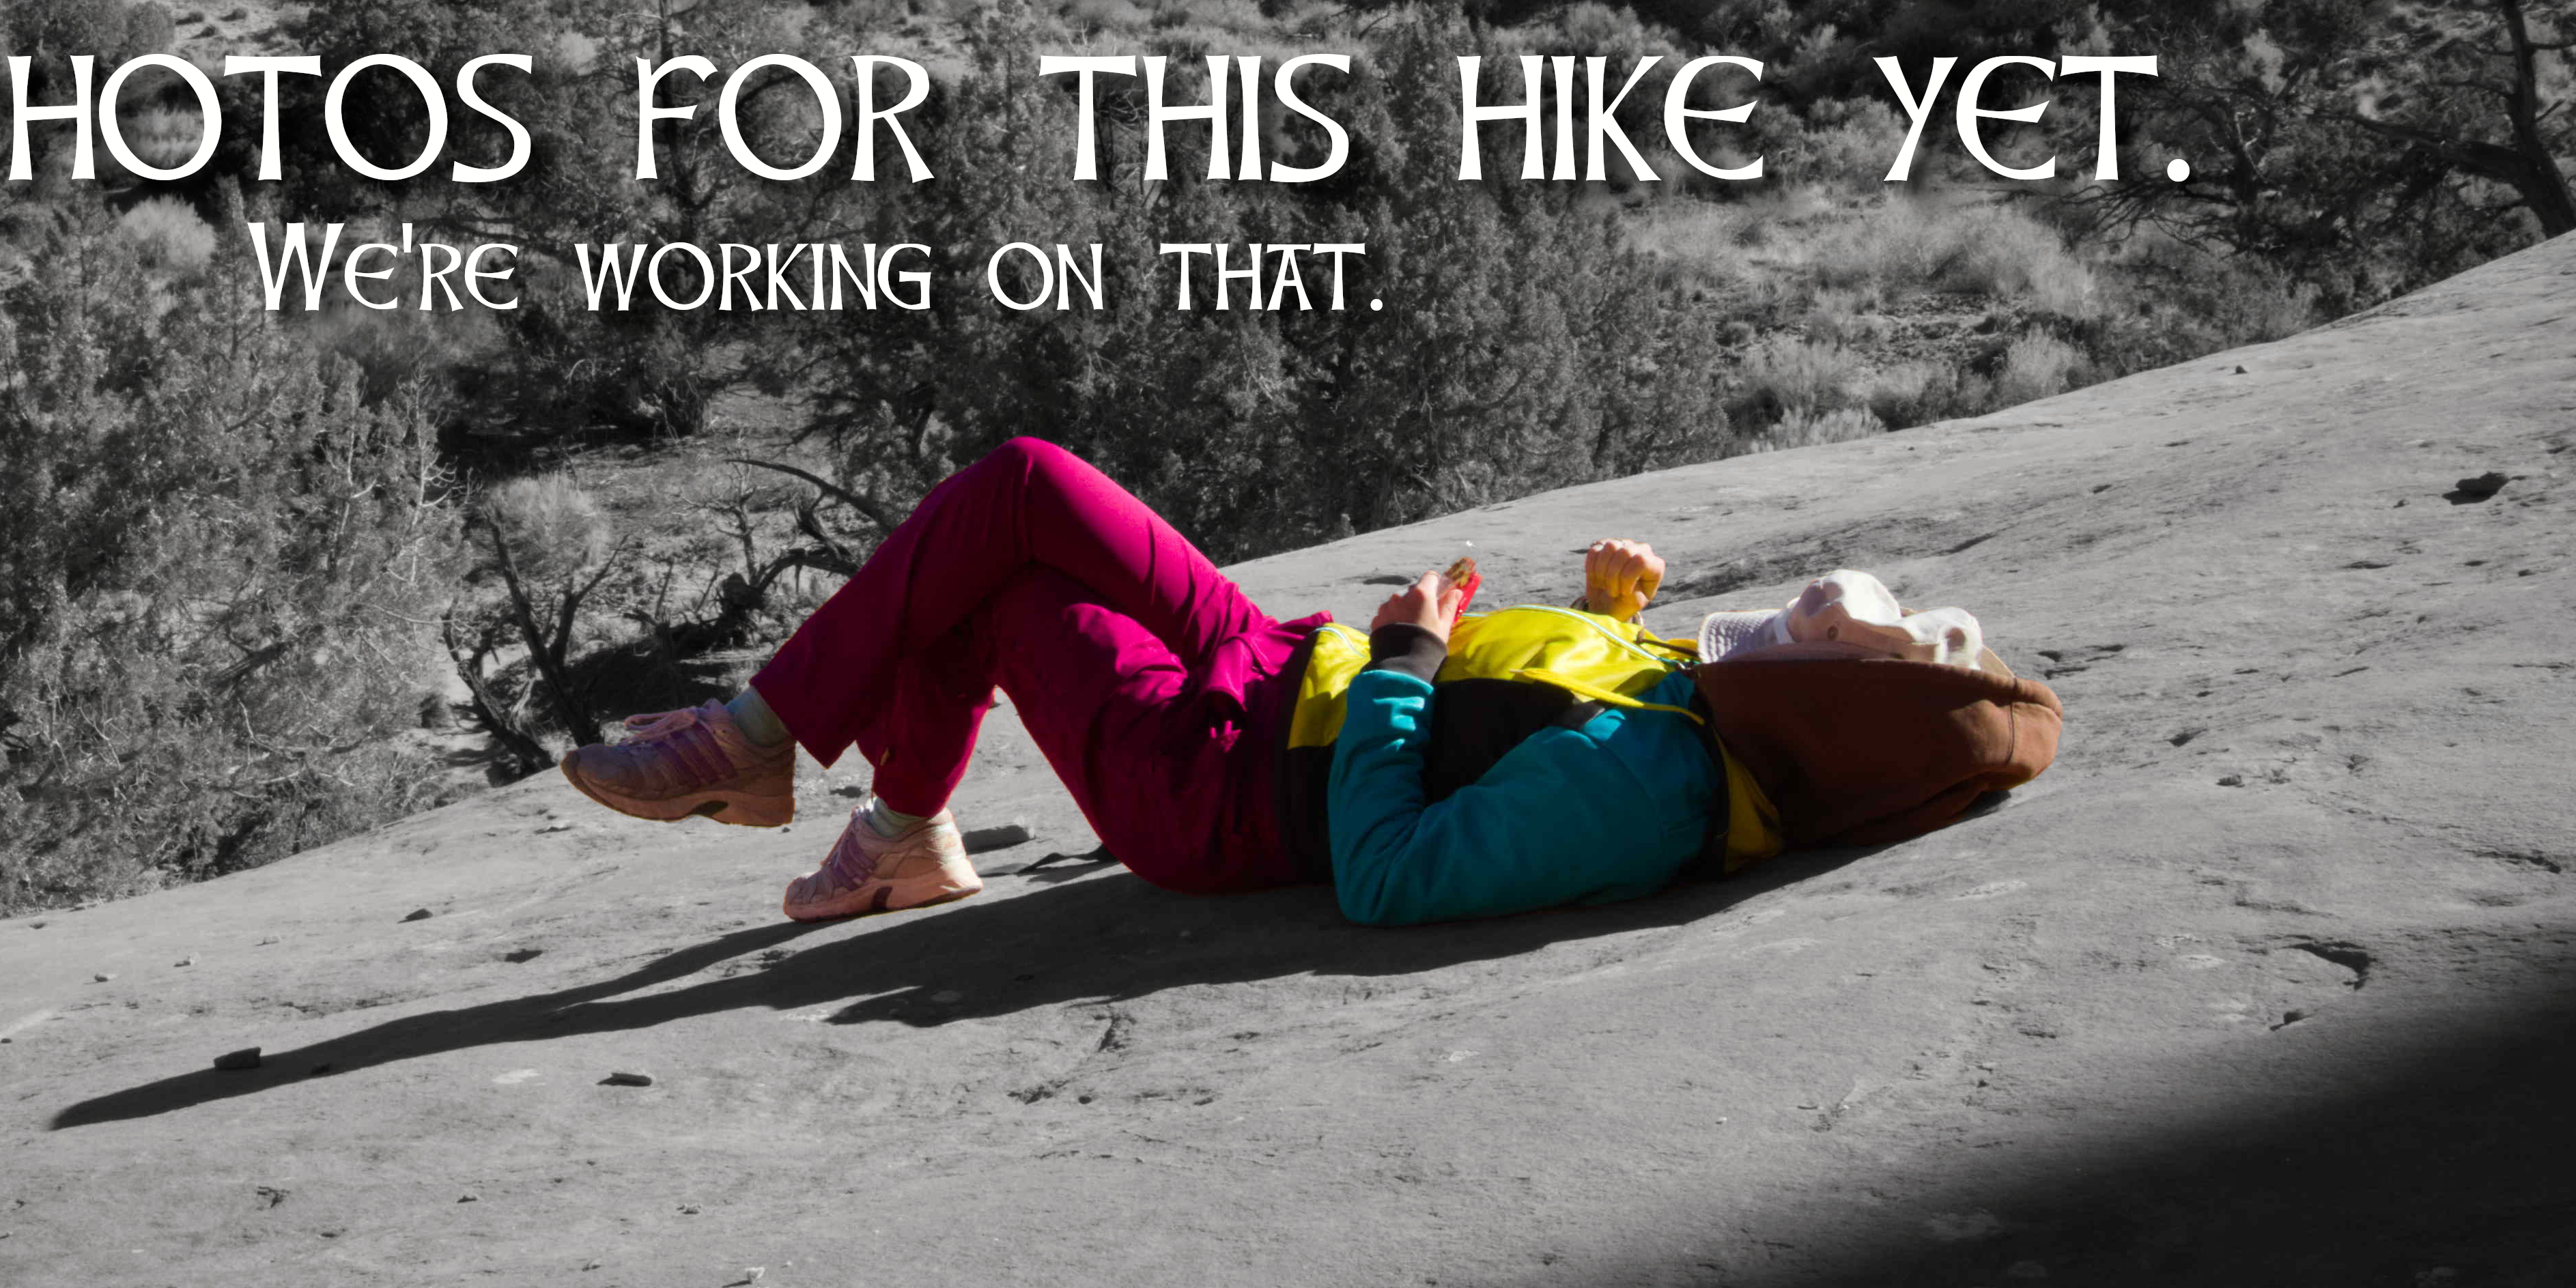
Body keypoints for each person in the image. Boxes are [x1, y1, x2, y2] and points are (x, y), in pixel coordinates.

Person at [558, 436, 2061, 925]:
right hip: (1276, 671)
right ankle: (870, 814)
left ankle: (795, 765)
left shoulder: (1654, 788)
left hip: (1214, 785)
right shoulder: (1699, 706)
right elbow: (1550, 697)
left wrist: (1407, 649)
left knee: (998, 568)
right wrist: (1609, 612)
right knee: (1019, 486)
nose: (1807, 603)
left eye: (1830, 629)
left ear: (1832, 706)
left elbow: (1392, 871)